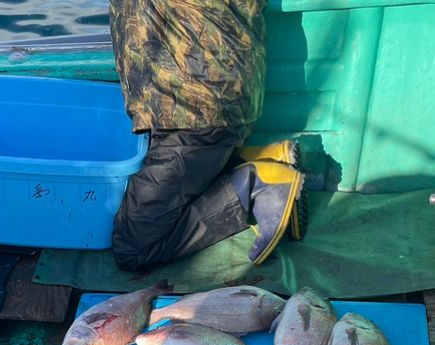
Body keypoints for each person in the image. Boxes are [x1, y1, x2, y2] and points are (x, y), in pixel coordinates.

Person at [109, 0, 305, 272]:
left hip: (193, 115)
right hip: (216, 103)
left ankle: (257, 183)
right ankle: (258, 159)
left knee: (133, 245)